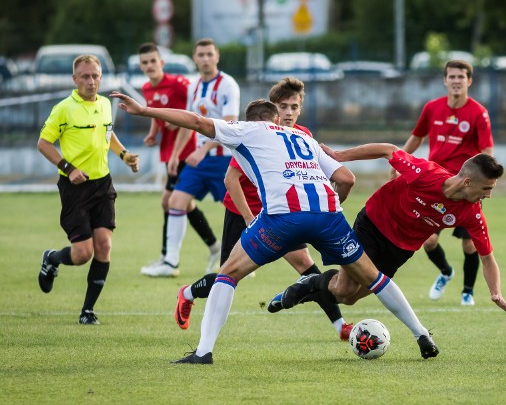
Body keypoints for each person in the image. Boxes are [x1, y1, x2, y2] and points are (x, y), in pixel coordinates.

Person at [110, 91, 440, 363]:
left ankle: (204, 351)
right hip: (328, 215)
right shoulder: (303, 137)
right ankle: (421, 333)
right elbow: (345, 178)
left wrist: (143, 110)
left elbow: (195, 121)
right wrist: (331, 210)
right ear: (277, 118)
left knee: (228, 273)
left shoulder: (246, 130)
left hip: (282, 218)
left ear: (250, 121)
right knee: (375, 277)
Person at [173, 77, 353, 341]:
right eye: (283, 106)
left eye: (294, 106)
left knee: (307, 267)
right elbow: (230, 180)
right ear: (273, 109)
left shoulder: (304, 136)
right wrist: (248, 218)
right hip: (243, 210)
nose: (289, 112)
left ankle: (340, 326)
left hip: (284, 213)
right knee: (229, 276)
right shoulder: (254, 132)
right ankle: (188, 293)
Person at [271, 143, 506, 328]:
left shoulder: (472, 214)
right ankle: (312, 283)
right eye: (487, 189)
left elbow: (487, 258)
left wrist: (496, 292)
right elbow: (389, 150)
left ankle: (310, 286)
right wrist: (339, 156)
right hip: (374, 226)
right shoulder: (426, 173)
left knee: (349, 298)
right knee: (344, 289)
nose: (489, 195)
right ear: (468, 182)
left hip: (400, 248)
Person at [37, 54, 139, 325]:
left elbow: (107, 135)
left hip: (102, 184)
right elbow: (44, 144)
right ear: (75, 79)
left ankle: (87, 311)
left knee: (104, 246)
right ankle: (52, 258)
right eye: (85, 76)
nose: (91, 81)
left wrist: (124, 155)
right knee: (83, 254)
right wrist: (69, 168)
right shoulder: (64, 109)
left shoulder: (106, 104)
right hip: (75, 188)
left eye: (95, 76)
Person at [395, 59, 494, 306]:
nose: (456, 81)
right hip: (436, 186)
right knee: (428, 241)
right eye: (452, 77)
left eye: (461, 77)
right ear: (445, 80)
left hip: (466, 188)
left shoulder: (478, 112)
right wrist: (398, 163)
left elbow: (487, 150)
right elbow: (416, 138)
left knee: (470, 243)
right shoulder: (432, 108)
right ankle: (446, 272)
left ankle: (467, 292)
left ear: (469, 81)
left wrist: (486, 181)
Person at [142, 38, 240, 277]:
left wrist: (203, 149)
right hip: (199, 161)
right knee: (175, 201)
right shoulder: (194, 87)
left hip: (223, 159)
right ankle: (171, 263)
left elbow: (229, 123)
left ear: (217, 57)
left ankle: (238, 259)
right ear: (194, 58)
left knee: (237, 209)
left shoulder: (228, 84)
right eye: (201, 55)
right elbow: (188, 123)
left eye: (209, 54)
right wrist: (176, 154)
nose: (205, 59)